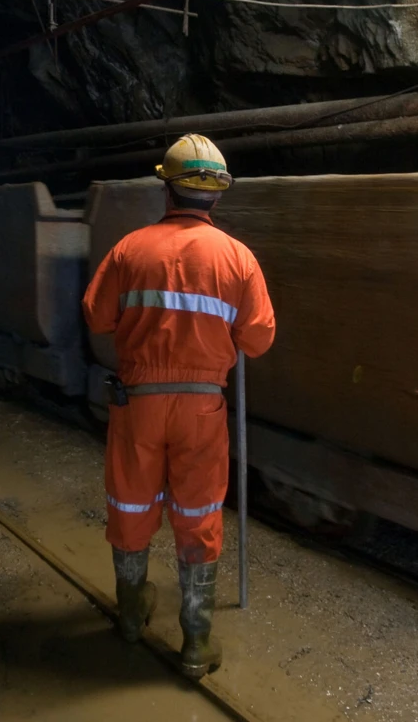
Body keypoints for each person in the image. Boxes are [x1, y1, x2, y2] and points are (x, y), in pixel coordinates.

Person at [81, 134, 276, 678]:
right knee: (197, 514)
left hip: (138, 404)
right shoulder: (238, 258)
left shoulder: (129, 249)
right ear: (216, 195)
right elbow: (258, 340)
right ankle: (195, 642)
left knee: (131, 507)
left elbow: (96, 318)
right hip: (201, 411)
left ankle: (129, 613)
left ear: (166, 185)